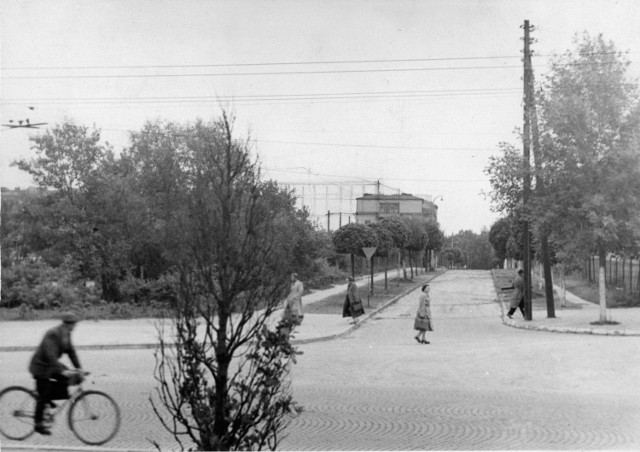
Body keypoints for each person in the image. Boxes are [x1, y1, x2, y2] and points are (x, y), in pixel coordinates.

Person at [29, 312, 84, 435]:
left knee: (70, 379)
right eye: (74, 324)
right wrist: (62, 371)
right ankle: (38, 424)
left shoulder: (67, 334)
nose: (75, 327)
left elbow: (71, 352)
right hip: (40, 367)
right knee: (43, 393)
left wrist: (79, 369)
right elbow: (50, 355)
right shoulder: (53, 334)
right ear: (69, 324)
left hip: (51, 366)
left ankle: (49, 398)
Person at [279, 273, 304, 337]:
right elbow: (291, 292)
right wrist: (288, 297)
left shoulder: (299, 283)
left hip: (295, 299)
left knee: (295, 310)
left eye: (292, 277)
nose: (291, 278)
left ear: (295, 277)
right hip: (290, 299)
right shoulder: (292, 284)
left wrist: (296, 297)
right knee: (287, 308)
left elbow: (301, 291)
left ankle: (297, 320)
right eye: (291, 277)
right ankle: (285, 319)